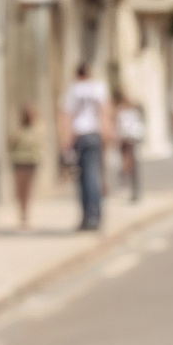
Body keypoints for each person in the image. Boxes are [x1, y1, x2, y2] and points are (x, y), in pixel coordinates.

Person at [59, 61, 111, 232]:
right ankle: (96, 215)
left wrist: (65, 141)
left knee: (82, 179)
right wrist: (106, 134)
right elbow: (104, 112)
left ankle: (87, 217)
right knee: (93, 176)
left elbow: (67, 116)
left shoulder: (73, 90)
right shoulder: (98, 88)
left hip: (79, 136)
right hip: (94, 134)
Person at [7, 103, 44, 229]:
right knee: (19, 190)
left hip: (31, 163)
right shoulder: (17, 131)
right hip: (19, 163)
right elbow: (10, 145)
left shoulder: (36, 131)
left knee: (27, 190)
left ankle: (25, 214)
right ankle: (22, 214)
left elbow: (39, 147)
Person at [115, 89, 145, 203]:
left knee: (133, 166)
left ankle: (135, 191)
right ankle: (129, 187)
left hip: (132, 139)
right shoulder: (121, 112)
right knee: (128, 165)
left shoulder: (133, 111)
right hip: (126, 140)